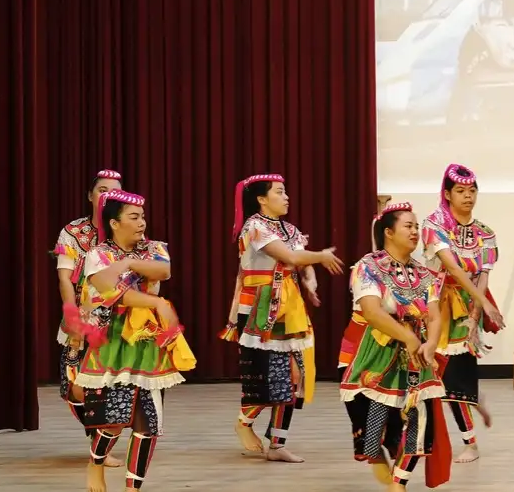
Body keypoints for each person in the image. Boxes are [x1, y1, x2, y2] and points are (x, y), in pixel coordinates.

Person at [67, 190, 195, 492]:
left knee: (147, 423)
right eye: (134, 217)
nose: (142, 223)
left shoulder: (154, 248)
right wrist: (156, 302)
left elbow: (163, 269)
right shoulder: (97, 256)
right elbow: (111, 291)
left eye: (143, 217)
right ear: (114, 222)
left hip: (149, 340)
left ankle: (132, 489)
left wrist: (128, 264)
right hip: (114, 340)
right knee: (113, 420)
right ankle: (95, 462)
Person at [222, 174, 346, 463]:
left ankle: (277, 444)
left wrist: (310, 284)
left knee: (294, 376)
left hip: (289, 307)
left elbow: (300, 262)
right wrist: (319, 257)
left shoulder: (289, 228)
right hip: (259, 308)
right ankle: (243, 422)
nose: (287, 196)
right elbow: (289, 256)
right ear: (262, 199)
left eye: (285, 191)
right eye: (280, 192)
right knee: (267, 378)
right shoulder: (254, 227)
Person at [340, 201, 448, 492]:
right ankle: (376, 454)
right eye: (408, 226)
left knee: (420, 421)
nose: (415, 231)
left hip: (415, 358)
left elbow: (436, 316)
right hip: (375, 353)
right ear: (389, 232)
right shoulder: (368, 267)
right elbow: (372, 312)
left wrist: (431, 343)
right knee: (373, 427)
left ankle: (399, 482)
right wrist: (409, 337)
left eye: (417, 226)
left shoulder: (425, 275)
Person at [420, 164, 504, 462]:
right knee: (429, 374)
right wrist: (486, 302)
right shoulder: (434, 225)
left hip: (463, 307)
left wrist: (476, 314)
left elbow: (482, 277)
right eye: (461, 191)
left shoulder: (485, 233)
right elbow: (452, 267)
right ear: (447, 194)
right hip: (434, 305)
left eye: (472, 191)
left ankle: (470, 443)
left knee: (451, 378)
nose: (468, 197)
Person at [54, 169, 124, 466]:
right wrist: (72, 313)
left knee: (112, 384)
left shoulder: (126, 228)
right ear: (90, 196)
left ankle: (102, 442)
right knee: (75, 385)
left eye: (113, 191)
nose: (106, 195)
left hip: (119, 316)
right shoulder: (72, 232)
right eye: (101, 190)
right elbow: (65, 276)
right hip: (83, 314)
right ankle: (97, 437)